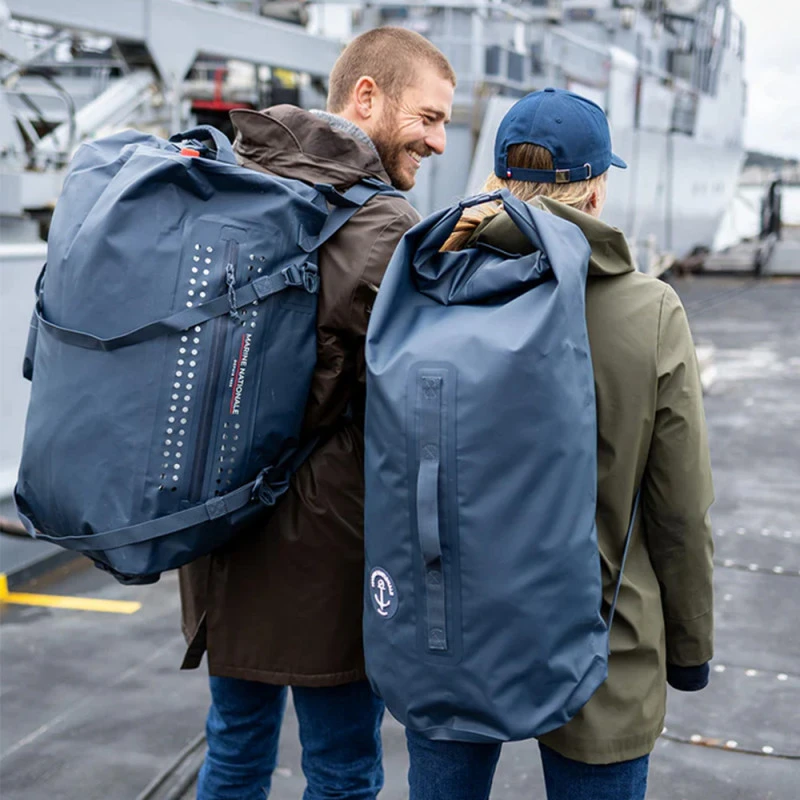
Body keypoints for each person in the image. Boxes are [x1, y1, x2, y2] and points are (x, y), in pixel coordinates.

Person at [403, 88, 714, 800]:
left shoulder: (430, 283)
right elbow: (679, 507)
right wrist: (690, 647)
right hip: (600, 639)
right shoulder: (648, 310)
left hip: (453, 632)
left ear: (497, 181)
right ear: (595, 194)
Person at [178, 27, 455, 800]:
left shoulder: (235, 184)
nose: (437, 141)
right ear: (366, 96)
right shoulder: (388, 229)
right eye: (429, 117)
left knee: (235, 748)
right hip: (331, 555)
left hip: (221, 531)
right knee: (340, 767)